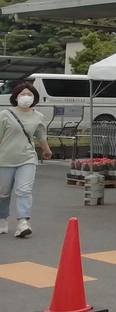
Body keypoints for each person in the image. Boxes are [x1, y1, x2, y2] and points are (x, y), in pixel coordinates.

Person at [0, 80, 54, 238]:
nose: (26, 97)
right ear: (16, 97)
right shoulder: (4, 115)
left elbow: (41, 137)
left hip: (27, 158)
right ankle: (2, 219)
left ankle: (23, 222)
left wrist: (47, 150)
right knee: (3, 192)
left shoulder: (38, 117)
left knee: (24, 190)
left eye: (29, 94)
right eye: (22, 94)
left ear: (34, 98)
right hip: (5, 159)